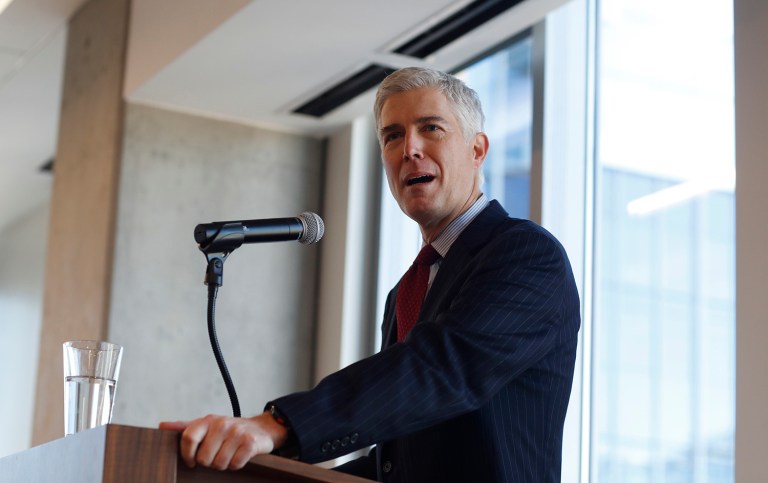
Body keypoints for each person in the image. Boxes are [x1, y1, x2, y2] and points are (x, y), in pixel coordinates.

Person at [160, 66, 581, 482]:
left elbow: (439, 369)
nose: (409, 149)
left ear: (477, 150)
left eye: (431, 128)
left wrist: (276, 425)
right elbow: (398, 461)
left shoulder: (526, 255)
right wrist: (265, 470)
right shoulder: (404, 292)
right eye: (392, 136)